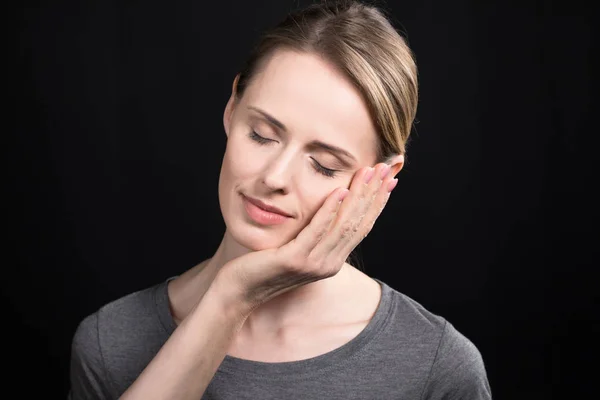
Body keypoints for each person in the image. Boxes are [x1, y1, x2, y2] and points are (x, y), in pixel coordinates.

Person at [69, 1, 492, 399]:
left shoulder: (436, 366)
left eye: (324, 165)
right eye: (261, 135)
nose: (273, 178)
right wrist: (231, 297)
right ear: (233, 107)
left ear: (380, 179)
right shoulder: (110, 343)